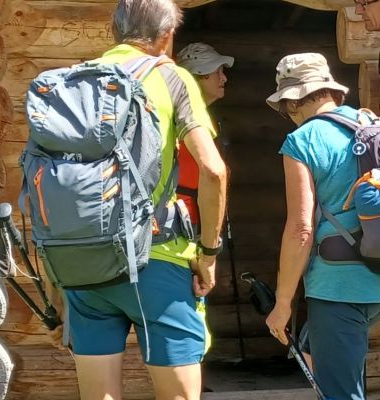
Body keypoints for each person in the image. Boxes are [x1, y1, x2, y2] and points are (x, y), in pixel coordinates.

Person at [62, 1, 229, 399]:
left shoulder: (76, 79)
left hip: (83, 262)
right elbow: (213, 170)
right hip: (155, 258)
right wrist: (208, 253)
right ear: (168, 35)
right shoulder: (171, 77)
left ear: (114, 31)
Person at [262, 52, 380, 400]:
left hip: (339, 285)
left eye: (286, 108)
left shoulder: (302, 141)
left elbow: (301, 228)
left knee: (341, 393)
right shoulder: (373, 124)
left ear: (292, 102)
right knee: (317, 348)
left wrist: (282, 303)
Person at [173, 43, 236, 227]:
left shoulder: (208, 121)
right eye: (218, 71)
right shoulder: (174, 120)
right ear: (198, 76)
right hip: (178, 224)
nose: (224, 78)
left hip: (193, 223)